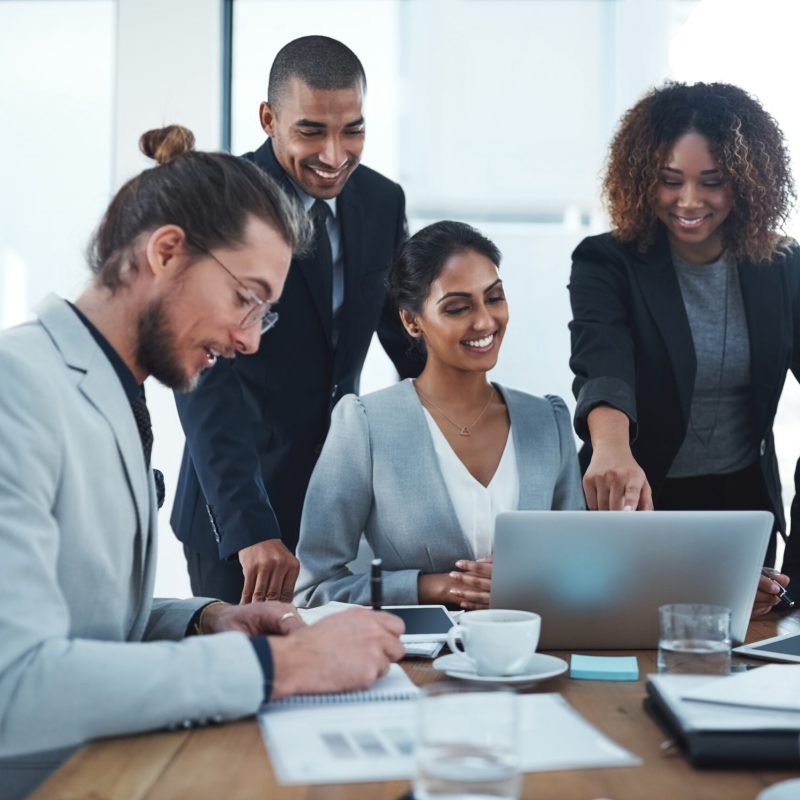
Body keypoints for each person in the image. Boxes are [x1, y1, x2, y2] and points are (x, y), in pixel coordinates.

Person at [0, 125, 405, 799]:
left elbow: (86, 617)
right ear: (166, 252)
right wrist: (276, 666)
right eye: (246, 299)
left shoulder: (112, 390)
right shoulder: (18, 390)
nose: (249, 340)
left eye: (265, 315)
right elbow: (16, 683)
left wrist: (201, 619)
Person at [172, 35, 422, 607]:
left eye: (352, 129)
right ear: (269, 119)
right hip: (240, 516)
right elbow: (204, 381)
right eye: (311, 131)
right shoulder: (221, 201)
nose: (335, 155)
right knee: (247, 683)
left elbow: (408, 344)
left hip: (342, 504)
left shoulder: (382, 201)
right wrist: (250, 526)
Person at [568, 81, 798, 615]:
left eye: (711, 182)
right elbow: (602, 359)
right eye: (670, 181)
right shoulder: (607, 262)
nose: (689, 202)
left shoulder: (783, 267)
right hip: (635, 498)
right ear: (644, 181)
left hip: (740, 512)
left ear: (745, 182)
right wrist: (610, 448)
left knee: (733, 664)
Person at [294, 221, 584, 609]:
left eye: (494, 298)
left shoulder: (547, 421)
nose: (484, 321)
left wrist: (529, 581)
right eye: (458, 308)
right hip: (417, 664)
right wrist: (433, 587)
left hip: (535, 656)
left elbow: (579, 568)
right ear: (412, 321)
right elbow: (313, 590)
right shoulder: (366, 424)